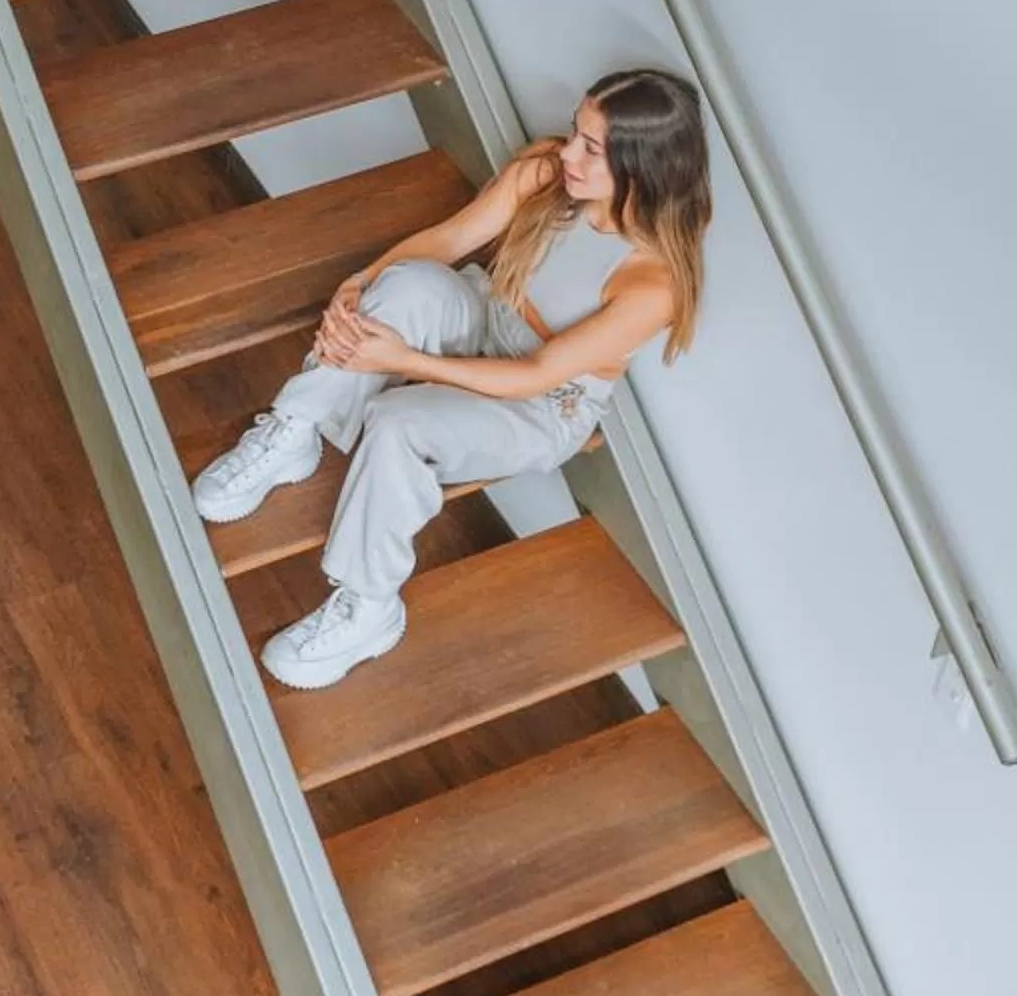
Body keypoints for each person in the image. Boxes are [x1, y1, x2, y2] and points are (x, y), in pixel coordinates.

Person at [191, 68, 710, 691]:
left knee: (397, 423)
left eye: (591, 148)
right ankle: (294, 429)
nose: (566, 151)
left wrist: (405, 363)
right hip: (488, 315)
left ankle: (370, 605)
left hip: (540, 404)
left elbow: (536, 373)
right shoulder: (548, 172)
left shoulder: (653, 284)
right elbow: (454, 237)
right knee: (410, 284)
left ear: (642, 166)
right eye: (576, 131)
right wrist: (358, 286)